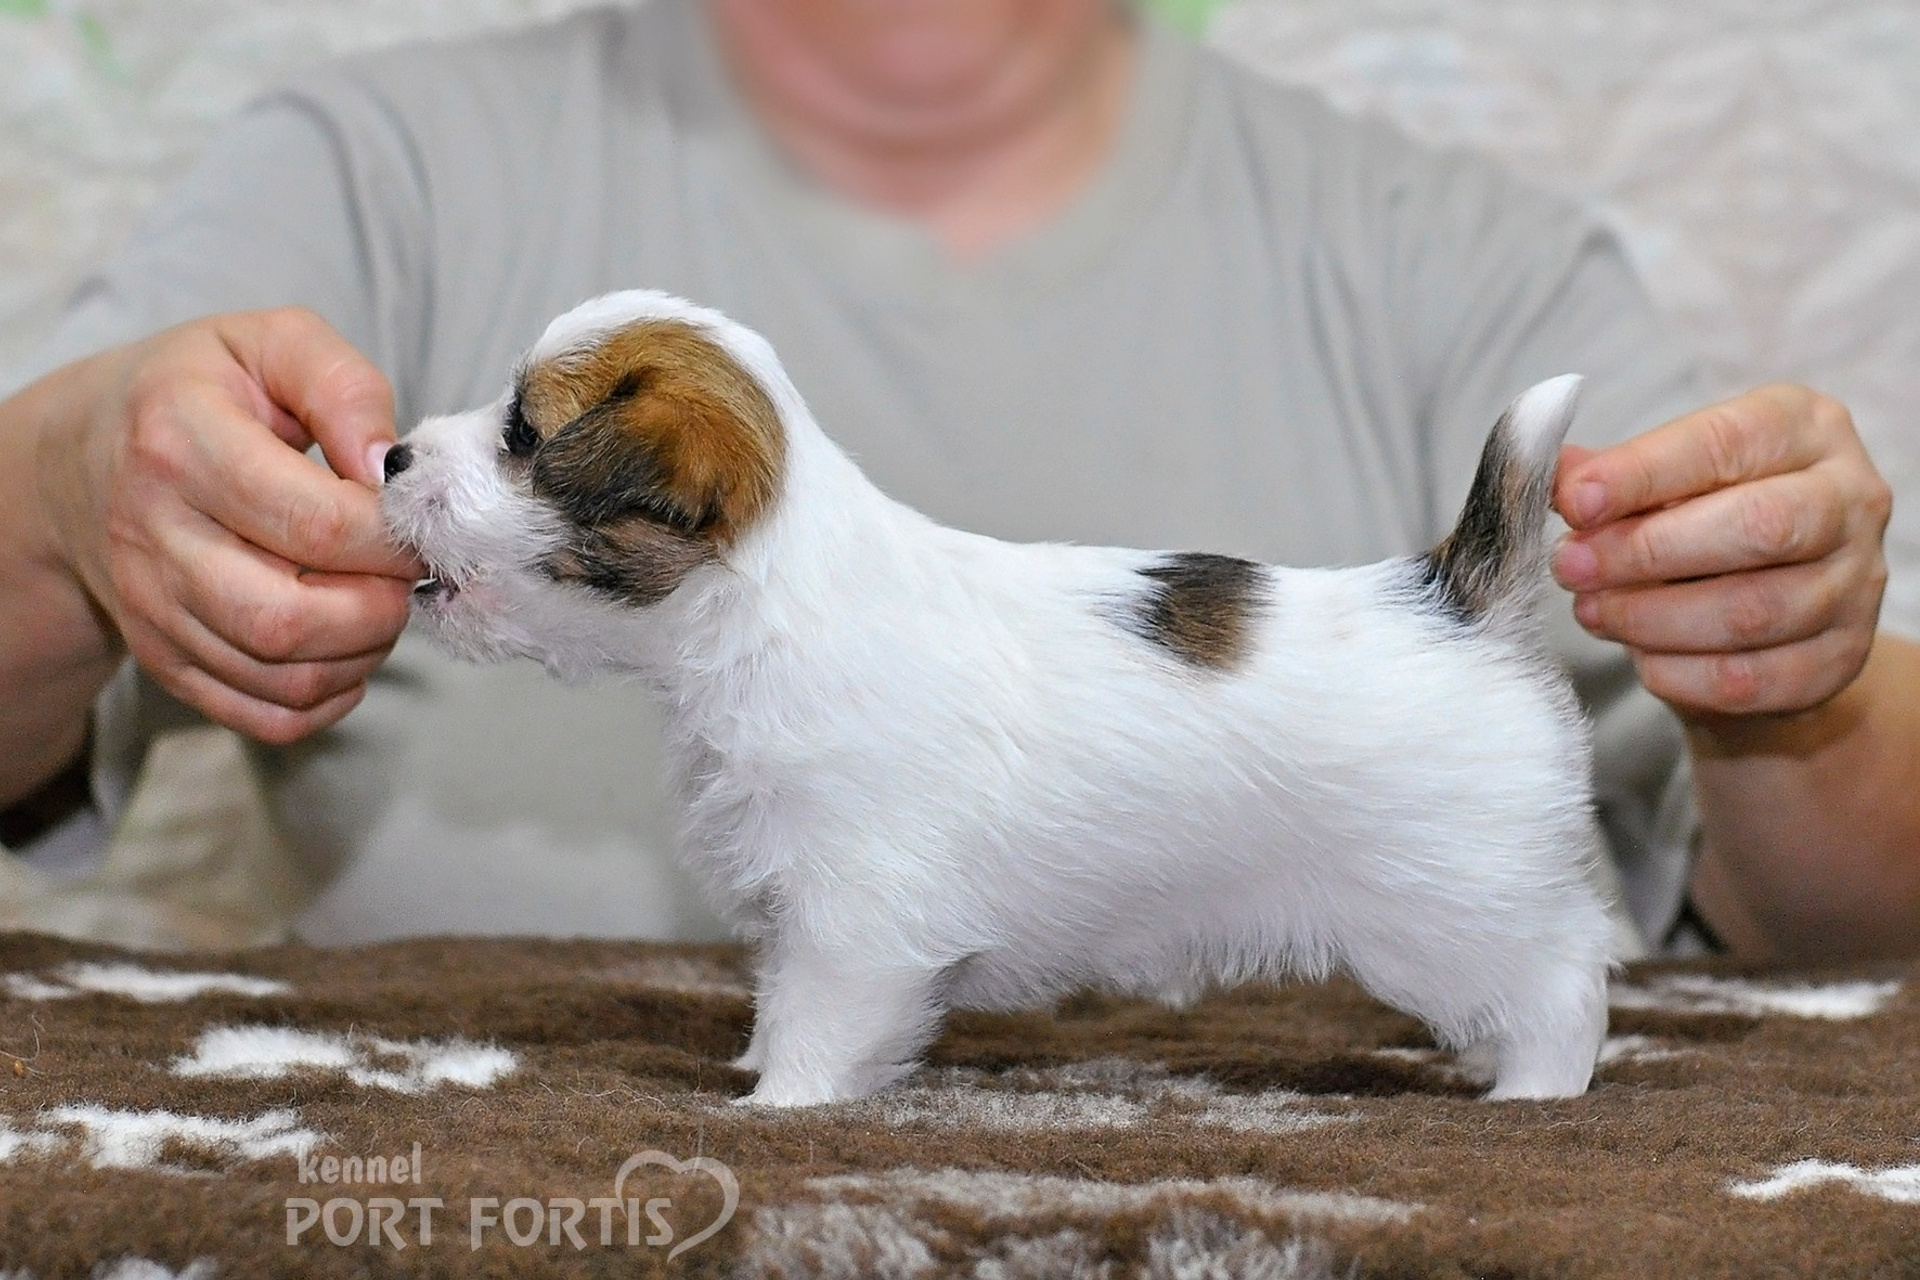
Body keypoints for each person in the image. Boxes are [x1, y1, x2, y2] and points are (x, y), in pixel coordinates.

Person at [0, 0, 1912, 961]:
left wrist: (1789, 679)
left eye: (526, 443)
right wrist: (60, 502)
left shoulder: (1462, 255)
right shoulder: (368, 163)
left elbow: (1849, 923)